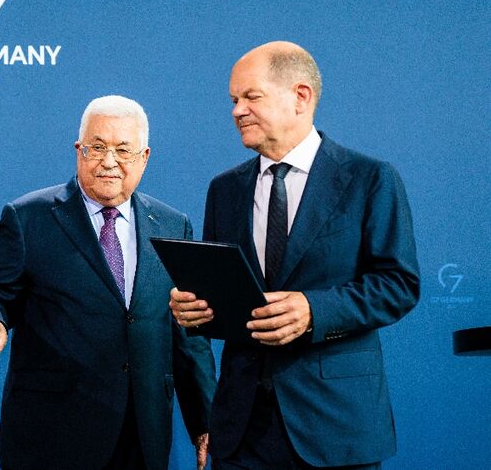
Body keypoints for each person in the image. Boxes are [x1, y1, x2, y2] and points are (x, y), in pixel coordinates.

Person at [171, 41, 420, 469]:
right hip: (242, 429)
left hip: (334, 426)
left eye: (251, 97)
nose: (236, 111)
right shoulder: (224, 190)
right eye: (233, 100)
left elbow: (398, 284)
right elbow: (230, 296)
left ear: (300, 96)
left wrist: (313, 309)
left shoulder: (369, 178)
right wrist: (195, 311)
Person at [0, 95, 217, 470]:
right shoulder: (29, 217)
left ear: (144, 157)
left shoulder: (173, 225)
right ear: (79, 150)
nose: (109, 162)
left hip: (144, 434)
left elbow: (189, 332)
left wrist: (204, 419)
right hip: (53, 432)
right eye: (97, 147)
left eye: (123, 150)